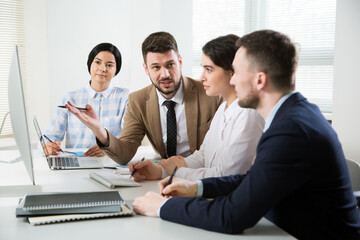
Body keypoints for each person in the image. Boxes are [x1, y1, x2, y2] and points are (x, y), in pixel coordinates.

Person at [132, 30, 360, 239]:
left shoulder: (291, 131)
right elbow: (255, 179)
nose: (231, 80)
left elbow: (232, 216)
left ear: (259, 80)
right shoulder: (293, 116)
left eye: (236, 72)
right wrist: (198, 187)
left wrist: (162, 207)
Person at [66, 32, 221, 164]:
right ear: (146, 69)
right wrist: (99, 130)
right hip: (164, 175)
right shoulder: (138, 101)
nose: (165, 74)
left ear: (180, 62)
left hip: (204, 173)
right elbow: (124, 153)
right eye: (156, 67)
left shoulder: (211, 93)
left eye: (170, 65)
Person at [128, 34, 264, 181]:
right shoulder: (224, 107)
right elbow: (203, 156)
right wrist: (161, 171)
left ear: (233, 71)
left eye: (209, 69)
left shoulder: (249, 113)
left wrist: (176, 172)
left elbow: (227, 176)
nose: (202, 77)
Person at [43, 43, 129, 157]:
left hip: (111, 162)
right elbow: (49, 136)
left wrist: (109, 146)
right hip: (78, 163)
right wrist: (46, 146)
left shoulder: (125, 97)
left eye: (109, 65)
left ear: (116, 70)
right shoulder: (70, 98)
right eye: (98, 62)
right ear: (90, 64)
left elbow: (128, 139)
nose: (102, 69)